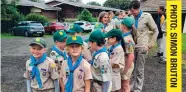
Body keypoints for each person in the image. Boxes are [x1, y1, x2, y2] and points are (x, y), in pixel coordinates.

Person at [129, 1, 159, 92]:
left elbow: (155, 30)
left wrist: (149, 45)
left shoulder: (147, 16)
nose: (132, 12)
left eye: (133, 10)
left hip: (142, 46)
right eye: (131, 11)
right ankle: (131, 86)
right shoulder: (131, 17)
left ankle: (138, 88)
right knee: (131, 67)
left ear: (138, 8)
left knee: (139, 69)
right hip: (132, 46)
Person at [120, 17, 135, 92]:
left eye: (121, 24)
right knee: (122, 85)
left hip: (127, 64)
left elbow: (131, 56)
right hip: (125, 63)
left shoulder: (127, 39)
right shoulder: (125, 36)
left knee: (125, 85)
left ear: (124, 26)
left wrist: (126, 69)